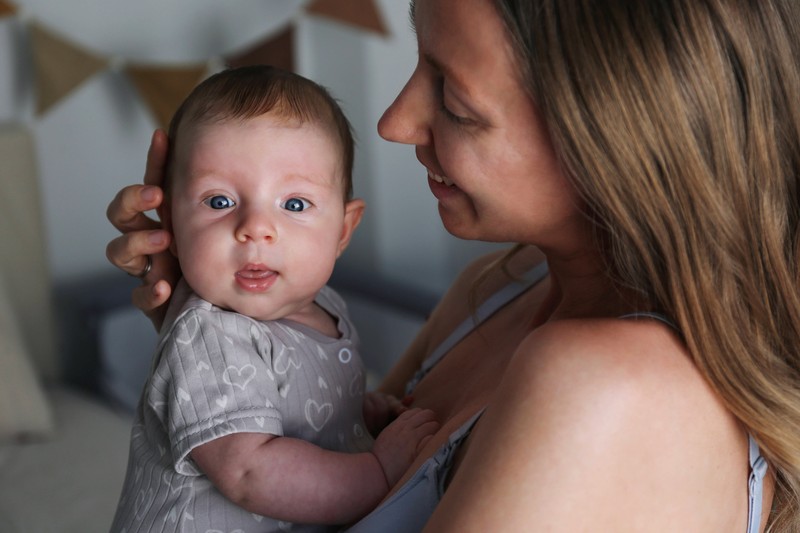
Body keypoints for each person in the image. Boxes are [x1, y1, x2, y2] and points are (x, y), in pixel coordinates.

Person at [106, 0, 800, 530]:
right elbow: (332, 435)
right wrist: (214, 321)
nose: (395, 122)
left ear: (615, 133)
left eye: (454, 99)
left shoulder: (611, 387)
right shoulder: (501, 286)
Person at [109, 65, 439, 532]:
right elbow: (249, 471)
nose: (255, 228)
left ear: (342, 231)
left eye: (295, 204)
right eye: (219, 201)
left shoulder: (326, 306)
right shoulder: (211, 336)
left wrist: (350, 415)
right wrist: (377, 471)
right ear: (171, 227)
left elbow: (291, 402)